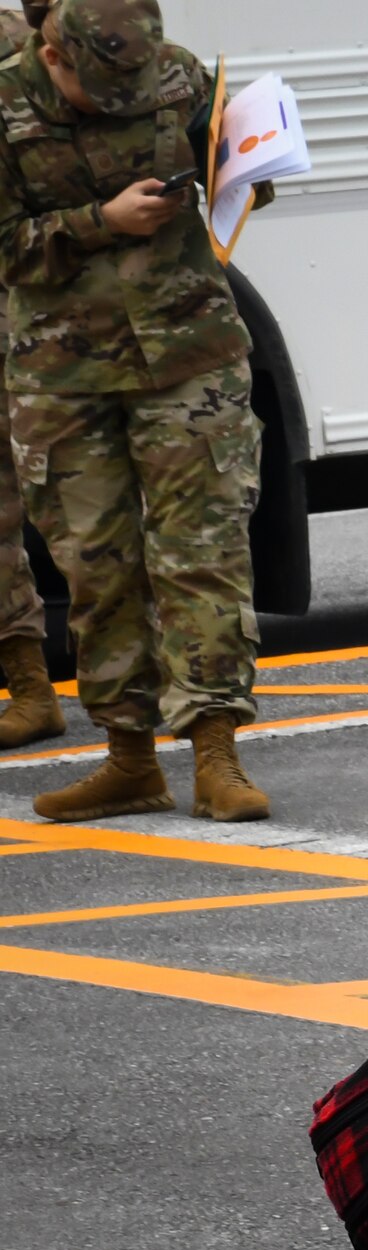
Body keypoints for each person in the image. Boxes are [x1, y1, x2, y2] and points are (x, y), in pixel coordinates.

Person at [0, 0, 269, 820]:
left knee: (203, 552)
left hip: (189, 351)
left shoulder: (178, 74)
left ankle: (217, 752)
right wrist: (96, 223)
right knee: (97, 567)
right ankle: (128, 759)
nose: (121, 102)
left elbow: (240, 176)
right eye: (96, 87)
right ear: (51, 54)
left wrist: (253, 169)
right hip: (63, 371)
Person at [0, 2, 64, 750]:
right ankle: (27, 686)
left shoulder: (15, 43)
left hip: (27, 316)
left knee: (68, 509)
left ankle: (137, 717)